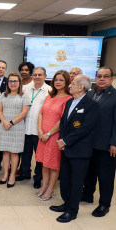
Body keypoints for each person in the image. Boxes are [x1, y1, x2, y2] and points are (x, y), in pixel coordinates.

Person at [50, 75, 99, 223]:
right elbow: (64, 123)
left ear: (81, 87)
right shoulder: (70, 101)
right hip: (66, 148)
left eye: (72, 83)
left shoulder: (91, 105)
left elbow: (85, 128)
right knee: (65, 179)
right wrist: (62, 141)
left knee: (76, 181)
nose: (69, 86)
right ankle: (66, 203)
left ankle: (72, 210)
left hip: (80, 150)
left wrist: (65, 140)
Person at [82, 66, 116, 217]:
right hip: (88, 143)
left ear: (112, 79)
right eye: (99, 76)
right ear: (95, 78)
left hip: (106, 144)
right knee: (89, 172)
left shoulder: (115, 96)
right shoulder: (89, 94)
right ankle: (88, 195)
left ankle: (104, 204)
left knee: (105, 176)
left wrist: (114, 142)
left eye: (106, 76)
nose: (102, 79)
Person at [35, 70, 71, 201]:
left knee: (53, 164)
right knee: (44, 163)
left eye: (61, 80)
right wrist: (39, 130)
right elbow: (41, 113)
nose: (58, 82)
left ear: (67, 82)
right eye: (56, 80)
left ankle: (50, 189)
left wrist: (49, 133)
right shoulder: (50, 96)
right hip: (42, 135)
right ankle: (44, 186)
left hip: (54, 137)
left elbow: (63, 120)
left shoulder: (69, 99)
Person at [16, 67, 52, 189]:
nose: (37, 77)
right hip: (25, 127)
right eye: (35, 75)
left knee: (39, 156)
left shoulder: (49, 91)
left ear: (45, 76)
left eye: (40, 75)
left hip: (40, 130)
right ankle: (25, 173)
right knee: (25, 153)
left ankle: (38, 178)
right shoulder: (26, 88)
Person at [0, 72, 30, 188]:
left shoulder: (24, 96)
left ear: (19, 83)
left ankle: (12, 175)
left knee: (14, 152)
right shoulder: (3, 95)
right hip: (4, 126)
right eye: (10, 81)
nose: (13, 83)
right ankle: (5, 173)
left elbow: (24, 112)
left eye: (15, 81)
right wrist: (4, 122)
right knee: (5, 152)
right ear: (8, 83)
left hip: (17, 127)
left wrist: (11, 122)